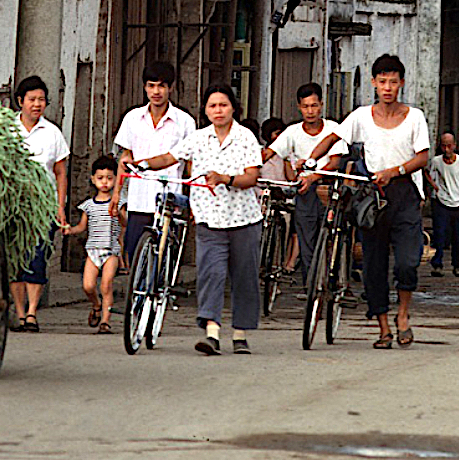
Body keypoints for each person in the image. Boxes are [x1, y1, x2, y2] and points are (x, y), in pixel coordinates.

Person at [302, 54, 430, 350]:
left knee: (408, 262)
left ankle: (403, 316)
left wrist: (394, 171)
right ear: (374, 83)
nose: (388, 87)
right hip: (372, 196)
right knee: (373, 264)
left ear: (401, 84)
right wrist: (312, 160)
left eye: (393, 82)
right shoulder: (361, 116)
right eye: (382, 81)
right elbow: (333, 137)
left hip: (405, 193)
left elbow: (422, 157)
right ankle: (383, 328)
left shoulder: (414, 117)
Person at [134, 84, 262, 356]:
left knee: (244, 277)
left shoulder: (246, 137)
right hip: (208, 218)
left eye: (223, 105)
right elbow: (170, 157)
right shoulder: (198, 137)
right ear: (205, 110)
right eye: (213, 106)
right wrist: (142, 163)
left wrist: (225, 178)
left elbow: (252, 176)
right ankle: (212, 333)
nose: (218, 110)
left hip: (244, 219)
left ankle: (240, 334)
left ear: (233, 108)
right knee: (211, 274)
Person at [112, 62, 195, 267]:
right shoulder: (132, 118)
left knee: (165, 257)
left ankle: (161, 294)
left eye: (161, 86)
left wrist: (194, 198)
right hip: (138, 198)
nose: (156, 91)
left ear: (171, 88)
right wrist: (116, 193)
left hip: (169, 201)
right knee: (134, 253)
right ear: (144, 87)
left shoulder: (185, 122)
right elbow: (125, 159)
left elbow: (191, 164)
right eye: (151, 86)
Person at [262, 83, 346, 281]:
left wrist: (314, 176)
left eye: (314, 105)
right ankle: (311, 286)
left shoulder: (333, 129)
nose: (310, 111)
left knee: (334, 235)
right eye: (306, 106)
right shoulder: (292, 132)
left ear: (321, 105)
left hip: (328, 186)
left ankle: (334, 280)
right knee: (306, 237)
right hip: (304, 189)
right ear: (299, 107)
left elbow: (335, 162)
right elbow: (270, 153)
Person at [11, 75, 70, 332]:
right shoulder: (6, 130)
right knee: (14, 259)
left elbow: (60, 173)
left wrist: (60, 207)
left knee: (37, 258)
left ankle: (33, 313)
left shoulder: (52, 132)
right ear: (20, 101)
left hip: (42, 206)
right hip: (13, 205)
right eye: (32, 99)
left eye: (41, 100)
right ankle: (19, 311)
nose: (37, 104)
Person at [62, 156, 125, 334]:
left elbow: (125, 223)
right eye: (100, 178)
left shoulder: (118, 202)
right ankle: (96, 305)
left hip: (110, 251)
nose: (105, 182)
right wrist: (70, 230)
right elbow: (82, 227)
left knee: (106, 285)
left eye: (109, 178)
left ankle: (105, 321)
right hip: (93, 250)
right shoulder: (88, 205)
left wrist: (118, 215)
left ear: (115, 180)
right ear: (93, 179)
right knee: (88, 286)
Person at [425, 132, 459, 278]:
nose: (446, 149)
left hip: (458, 202)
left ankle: (458, 265)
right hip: (441, 201)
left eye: (449, 146)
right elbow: (427, 173)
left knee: (458, 236)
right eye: (443, 146)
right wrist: (435, 187)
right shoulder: (436, 161)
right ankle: (437, 264)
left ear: (454, 146)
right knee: (439, 234)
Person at [259, 117, 299, 273]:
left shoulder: (287, 156)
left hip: (282, 197)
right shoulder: (260, 154)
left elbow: (291, 178)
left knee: (288, 224)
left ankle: (281, 263)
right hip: (262, 197)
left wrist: (287, 159)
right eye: (276, 134)